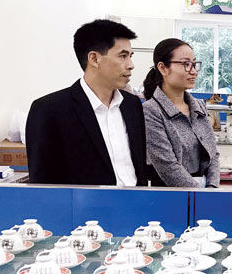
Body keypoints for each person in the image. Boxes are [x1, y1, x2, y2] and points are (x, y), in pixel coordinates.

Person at [26, 19, 147, 185]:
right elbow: (42, 182)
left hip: (135, 200)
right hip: (86, 202)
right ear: (94, 59)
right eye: (123, 56)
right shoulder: (50, 110)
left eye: (130, 56)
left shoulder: (132, 105)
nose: (131, 65)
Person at [142, 38, 220, 188]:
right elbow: (168, 166)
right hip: (170, 194)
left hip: (203, 192)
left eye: (194, 64)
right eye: (186, 64)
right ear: (163, 68)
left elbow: (213, 154)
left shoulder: (198, 106)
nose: (194, 71)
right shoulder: (151, 111)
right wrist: (201, 195)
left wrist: (212, 188)